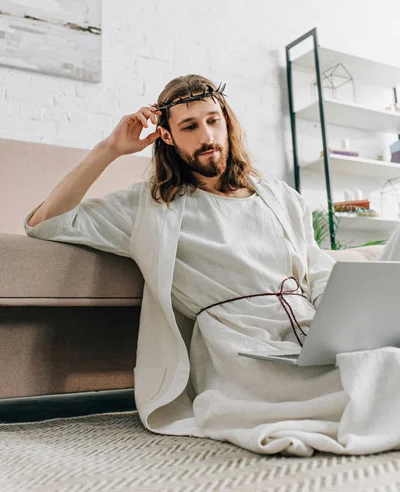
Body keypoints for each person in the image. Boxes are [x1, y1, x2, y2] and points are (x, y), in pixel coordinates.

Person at [24, 74, 400, 457]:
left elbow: (316, 269)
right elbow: (45, 223)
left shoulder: (279, 196)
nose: (206, 136)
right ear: (167, 137)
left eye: (213, 120)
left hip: (310, 331)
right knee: (380, 375)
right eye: (189, 126)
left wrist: (339, 323)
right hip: (241, 350)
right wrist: (109, 149)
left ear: (226, 121)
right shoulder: (152, 206)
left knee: (386, 355)